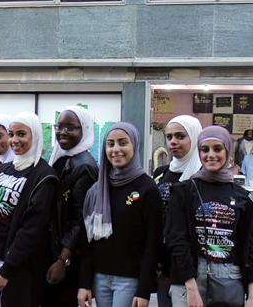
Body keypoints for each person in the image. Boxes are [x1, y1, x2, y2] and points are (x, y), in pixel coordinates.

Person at [165, 125, 253, 307]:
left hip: (229, 278)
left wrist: (251, 292)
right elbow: (176, 238)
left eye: (218, 149)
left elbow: (248, 246)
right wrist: (191, 286)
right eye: (205, 149)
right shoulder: (183, 191)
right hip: (189, 277)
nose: (211, 155)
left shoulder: (242, 197)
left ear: (227, 151)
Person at [78, 122, 162, 307]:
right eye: (110, 144)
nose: (116, 149)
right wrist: (84, 283)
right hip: (100, 279)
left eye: (123, 143)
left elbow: (152, 243)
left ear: (135, 145)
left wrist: (144, 290)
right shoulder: (97, 189)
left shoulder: (147, 188)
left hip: (130, 281)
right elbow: (86, 242)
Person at [0, 111, 59, 307]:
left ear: (35, 136)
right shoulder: (0, 169)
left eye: (21, 134)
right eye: (11, 134)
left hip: (7, 264)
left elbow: (31, 230)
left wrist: (7, 270)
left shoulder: (45, 177)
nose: (15, 140)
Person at [44, 106, 98, 307]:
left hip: (69, 260)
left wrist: (63, 260)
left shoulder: (83, 166)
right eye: (60, 126)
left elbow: (81, 220)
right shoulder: (61, 160)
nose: (63, 132)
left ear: (84, 130)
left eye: (71, 128)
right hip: (53, 252)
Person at [152, 115, 202, 307]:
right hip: (163, 263)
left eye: (180, 136)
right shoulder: (161, 173)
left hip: (191, 264)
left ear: (195, 137)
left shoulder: (203, 175)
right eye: (170, 136)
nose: (173, 141)